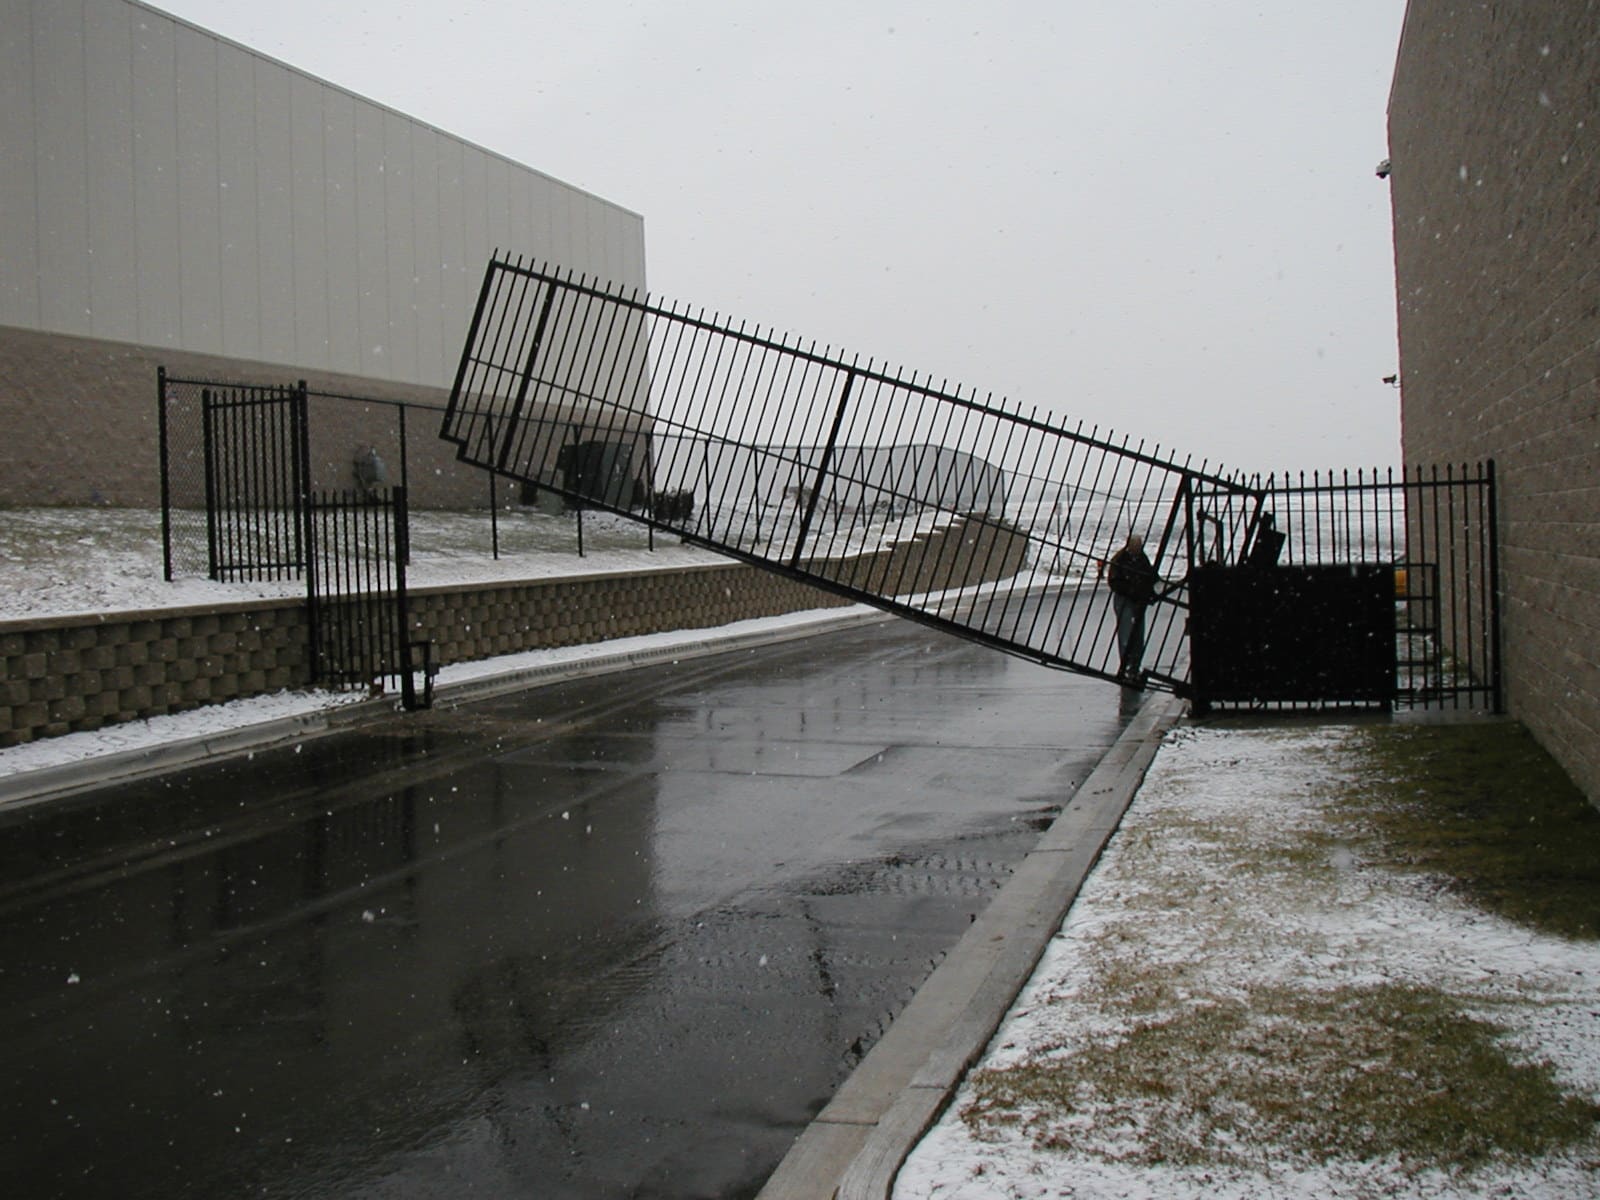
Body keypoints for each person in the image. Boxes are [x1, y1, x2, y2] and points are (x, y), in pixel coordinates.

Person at [1105, 532, 1156, 682]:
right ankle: (1126, 664)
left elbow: (1149, 577)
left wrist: (1149, 592)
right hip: (1125, 599)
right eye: (1135, 545)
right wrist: (1130, 590)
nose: (1137, 548)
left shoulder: (1142, 559)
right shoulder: (1120, 559)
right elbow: (1114, 581)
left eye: (1139, 545)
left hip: (1138, 600)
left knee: (1138, 634)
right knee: (1126, 633)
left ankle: (1134, 665)